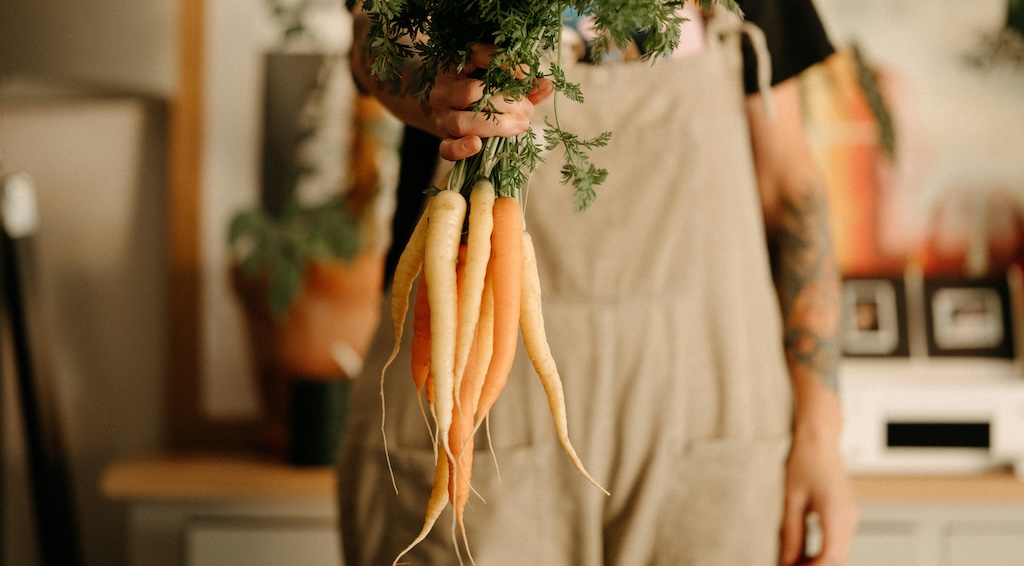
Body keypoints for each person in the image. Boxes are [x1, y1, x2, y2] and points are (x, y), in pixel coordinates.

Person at [338, 1, 860, 565]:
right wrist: (433, 88)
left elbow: (790, 187)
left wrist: (821, 434)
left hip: (711, 416)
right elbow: (373, 33)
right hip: (476, 410)